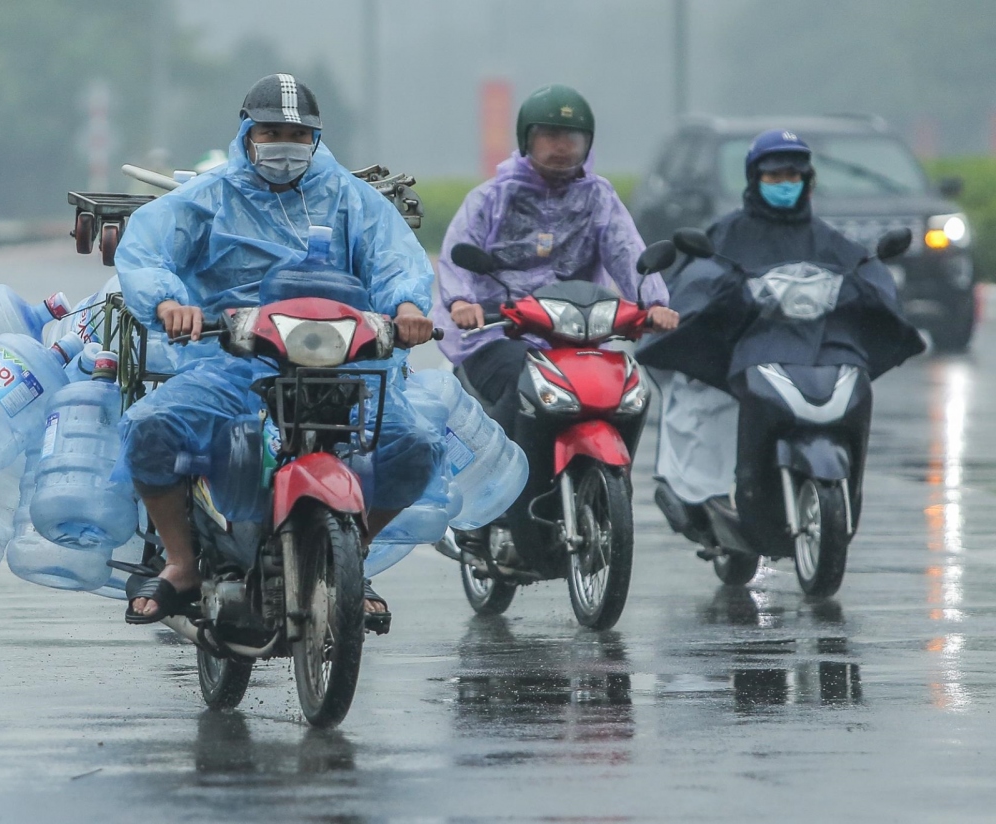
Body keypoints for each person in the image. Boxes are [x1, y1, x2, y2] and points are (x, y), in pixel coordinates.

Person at [113, 74, 441, 624]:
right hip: (235, 356)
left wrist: (407, 307)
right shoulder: (207, 197)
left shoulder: (349, 197)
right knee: (153, 428)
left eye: (297, 134)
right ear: (246, 134)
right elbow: (146, 250)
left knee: (414, 446)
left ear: (315, 137)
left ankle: (349, 557)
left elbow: (394, 260)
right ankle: (181, 561)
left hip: (344, 357)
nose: (283, 145)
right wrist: (170, 302)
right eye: (270, 132)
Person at [645, 128, 916, 531]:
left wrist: (871, 289)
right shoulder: (727, 234)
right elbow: (701, 275)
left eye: (793, 176)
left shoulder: (827, 239)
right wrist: (715, 298)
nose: (785, 184)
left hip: (823, 351)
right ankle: (718, 495)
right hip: (754, 349)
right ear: (755, 179)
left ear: (808, 181)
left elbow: (864, 269)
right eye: (774, 177)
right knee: (704, 400)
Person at [431, 84, 678, 438]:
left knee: (627, 390)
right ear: (526, 139)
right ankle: (507, 477)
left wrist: (653, 303)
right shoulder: (491, 198)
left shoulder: (598, 198)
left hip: (578, 334)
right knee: (521, 382)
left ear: (588, 143)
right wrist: (462, 302)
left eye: (571, 138)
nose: (561, 148)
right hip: (497, 333)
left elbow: (627, 250)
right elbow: (459, 254)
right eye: (550, 136)